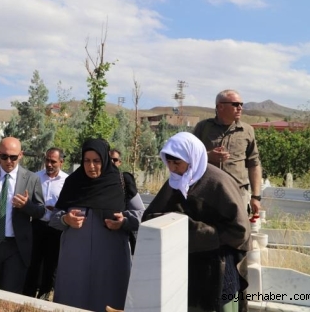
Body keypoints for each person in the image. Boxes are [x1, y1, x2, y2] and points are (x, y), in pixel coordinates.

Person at [142, 132, 250, 311]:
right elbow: (150, 217)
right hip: (188, 267)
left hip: (218, 267)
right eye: (168, 162)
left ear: (192, 159)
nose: (173, 168)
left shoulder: (218, 182)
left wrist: (193, 229)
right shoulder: (175, 182)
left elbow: (239, 231)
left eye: (177, 163)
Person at [50, 138, 143, 311]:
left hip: (111, 262)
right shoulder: (73, 183)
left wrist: (124, 221)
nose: (91, 166)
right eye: (87, 161)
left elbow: (142, 215)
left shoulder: (122, 182)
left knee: (109, 303)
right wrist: (66, 219)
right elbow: (54, 217)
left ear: (105, 159)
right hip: (75, 261)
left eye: (96, 161)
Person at [0, 137, 45, 293]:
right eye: (4, 156)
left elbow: (40, 211)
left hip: (16, 246)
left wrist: (26, 206)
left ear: (21, 155)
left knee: (10, 293)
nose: (8, 161)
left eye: (13, 157)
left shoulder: (31, 179)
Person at [192, 89, 262, 215]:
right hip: (207, 193)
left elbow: (254, 164)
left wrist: (256, 197)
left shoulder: (247, 130)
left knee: (237, 232)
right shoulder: (203, 128)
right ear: (220, 106)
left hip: (237, 193)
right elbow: (188, 157)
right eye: (235, 104)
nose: (240, 108)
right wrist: (208, 156)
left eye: (241, 104)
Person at [23, 148, 68, 300]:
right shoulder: (36, 177)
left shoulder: (67, 181)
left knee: (51, 264)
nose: (49, 164)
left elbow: (69, 204)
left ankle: (44, 294)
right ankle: (27, 294)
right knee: (33, 261)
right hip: (37, 225)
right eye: (47, 160)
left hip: (56, 228)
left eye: (53, 161)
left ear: (61, 162)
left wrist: (57, 209)